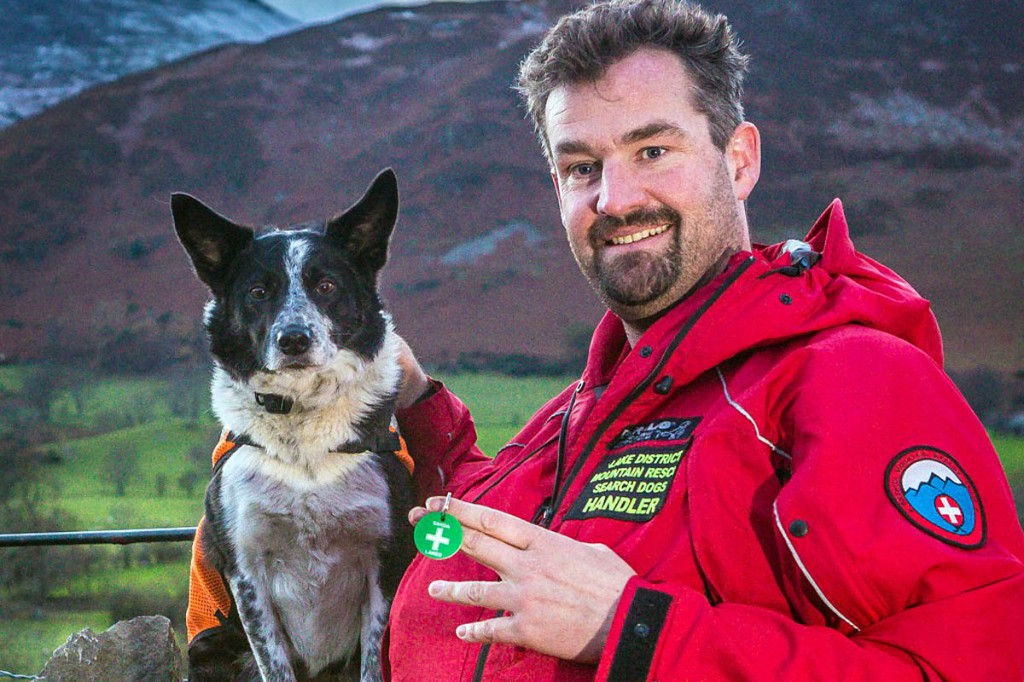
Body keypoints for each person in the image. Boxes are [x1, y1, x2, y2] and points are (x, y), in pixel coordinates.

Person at [383, 0, 1024, 680]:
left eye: (652, 151)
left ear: (740, 160)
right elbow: (501, 516)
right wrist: (418, 405)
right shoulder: (588, 406)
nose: (616, 199)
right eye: (582, 167)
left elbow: (972, 666)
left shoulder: (849, 380)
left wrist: (635, 630)